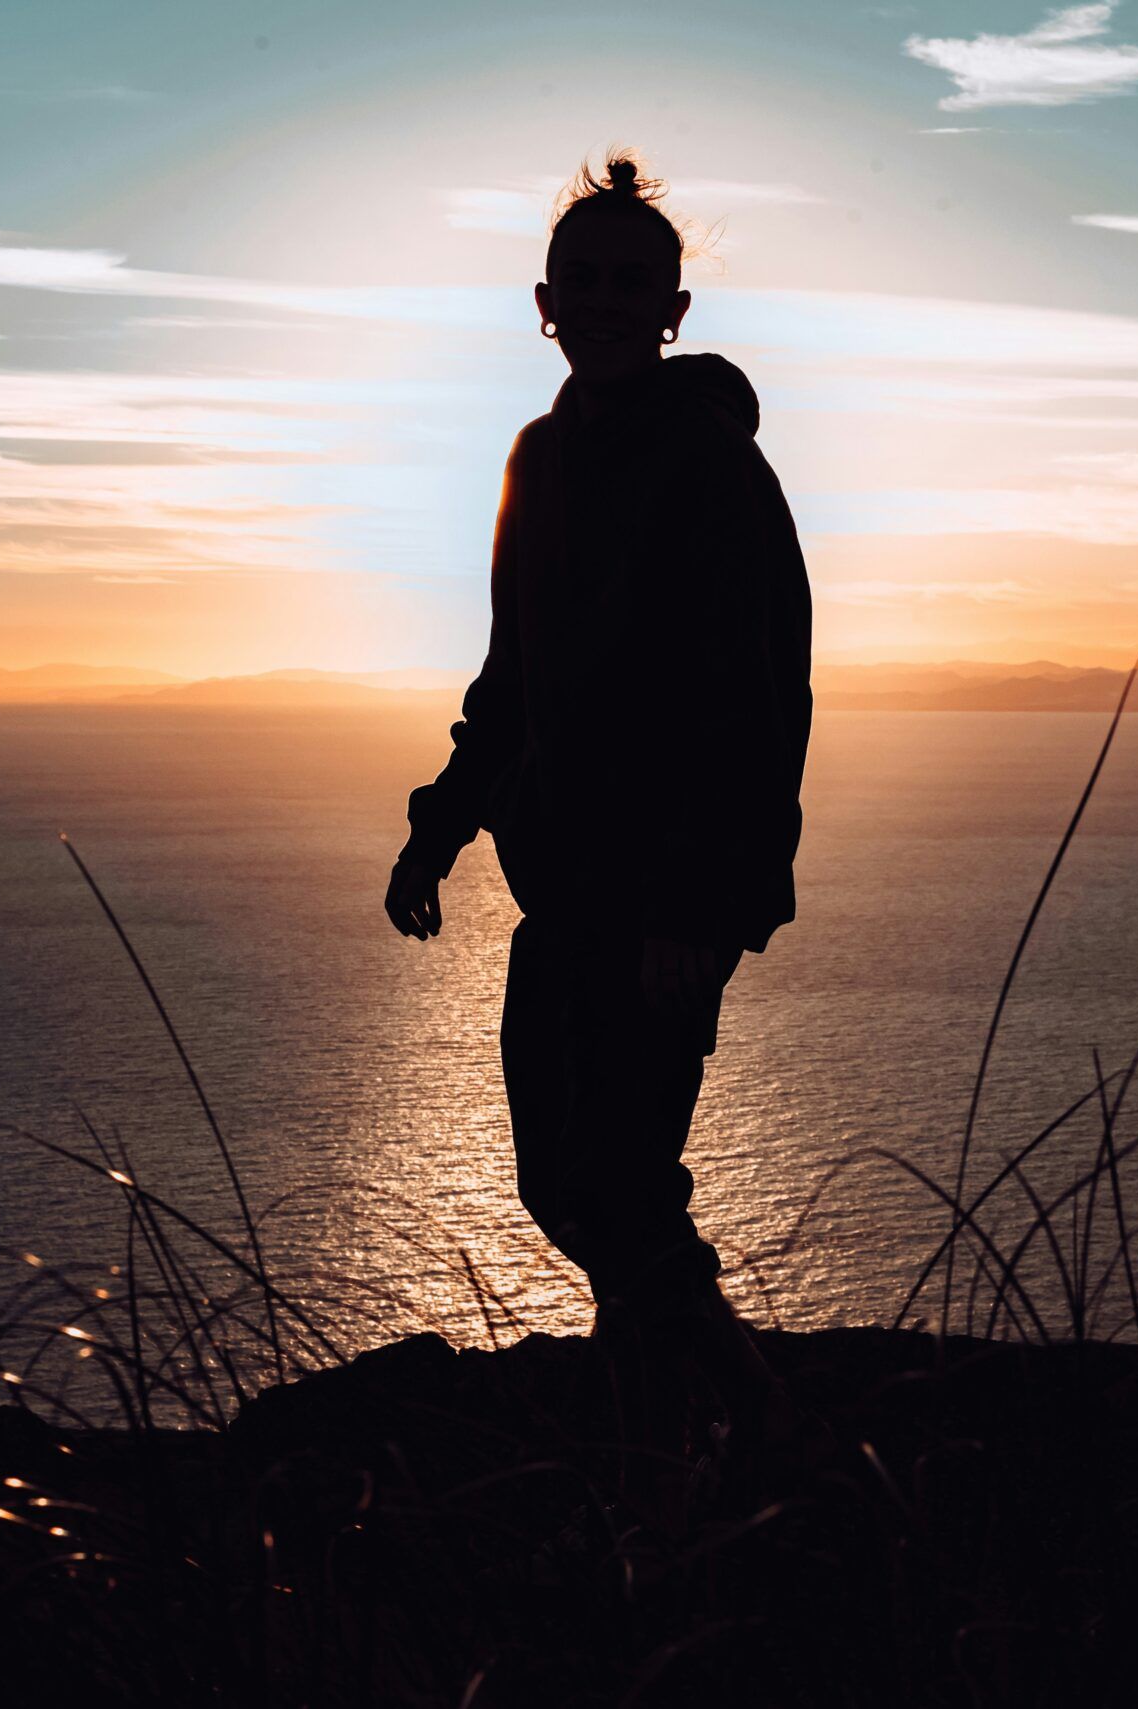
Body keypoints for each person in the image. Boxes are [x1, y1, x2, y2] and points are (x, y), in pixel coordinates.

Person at [381, 153, 814, 1496]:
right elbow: (515, 676)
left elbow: (755, 693)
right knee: (562, 1181)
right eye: (590, 279)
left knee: (619, 1180)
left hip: (662, 903)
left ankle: (737, 1439)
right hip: (562, 891)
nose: (613, 300)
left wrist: (704, 903)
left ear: (675, 308)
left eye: (639, 281)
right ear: (545, 302)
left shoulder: (712, 466)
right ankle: (687, 1427)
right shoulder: (538, 459)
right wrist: (442, 823)